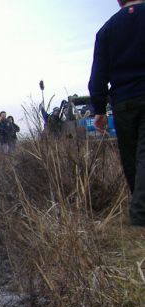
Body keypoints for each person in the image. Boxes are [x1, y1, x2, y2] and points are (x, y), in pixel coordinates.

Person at [89, 0, 145, 227]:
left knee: (131, 159)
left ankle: (139, 211)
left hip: (123, 103)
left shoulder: (106, 30)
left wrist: (100, 110)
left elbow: (98, 74)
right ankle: (140, 219)